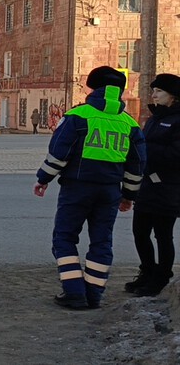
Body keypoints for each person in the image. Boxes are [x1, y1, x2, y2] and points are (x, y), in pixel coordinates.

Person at [33, 66, 146, 310]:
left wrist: (43, 179)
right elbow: (137, 165)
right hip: (110, 191)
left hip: (77, 188)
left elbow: (59, 153)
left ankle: (74, 292)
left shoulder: (79, 115)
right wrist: (129, 195)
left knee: (64, 237)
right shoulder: (130, 124)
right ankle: (94, 294)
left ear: (92, 88)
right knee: (102, 241)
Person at [125, 73, 180, 297]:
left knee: (163, 235)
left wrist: (147, 151)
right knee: (139, 231)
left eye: (159, 91)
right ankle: (146, 271)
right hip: (148, 185)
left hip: (169, 187)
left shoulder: (177, 119)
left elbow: (176, 153)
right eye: (153, 90)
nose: (153, 94)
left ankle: (161, 275)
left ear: (173, 96)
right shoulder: (155, 117)